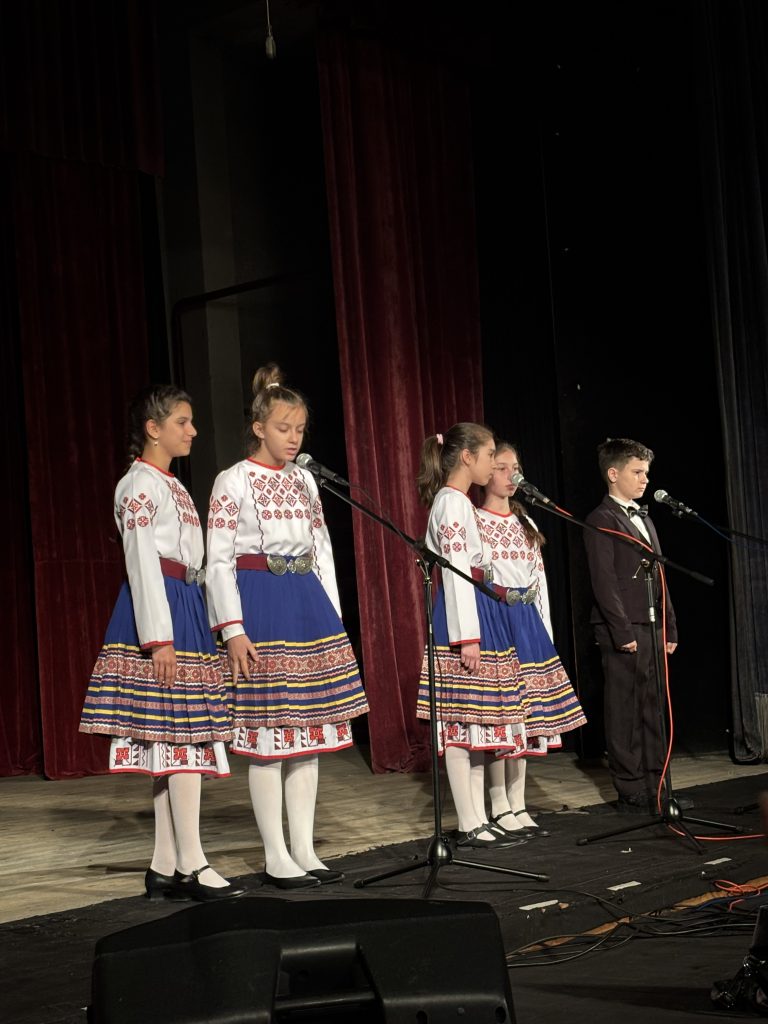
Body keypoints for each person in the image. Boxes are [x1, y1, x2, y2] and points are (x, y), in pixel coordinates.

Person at [205, 363, 369, 889]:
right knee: (270, 734)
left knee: (309, 733)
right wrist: (232, 628)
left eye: (299, 429)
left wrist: (332, 615)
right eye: (283, 428)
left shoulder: (305, 480)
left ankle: (304, 847)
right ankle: (275, 854)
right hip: (261, 603)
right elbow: (218, 560)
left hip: (306, 603)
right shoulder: (232, 480)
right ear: (259, 428)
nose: (294, 438)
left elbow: (322, 549)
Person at [79, 385, 245, 902]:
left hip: (185, 606)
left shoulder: (170, 484)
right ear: (153, 429)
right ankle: (193, 862)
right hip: (162, 612)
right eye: (182, 422)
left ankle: (164, 862)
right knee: (183, 738)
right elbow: (142, 564)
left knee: (171, 740)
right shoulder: (137, 485)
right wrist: (158, 639)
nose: (193, 430)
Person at [416, 423, 528, 850]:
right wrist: (467, 636)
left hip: (478, 611)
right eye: (488, 456)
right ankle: (467, 819)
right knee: (462, 722)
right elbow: (456, 571)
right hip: (462, 616)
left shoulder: (459, 502)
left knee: (478, 721)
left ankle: (478, 815)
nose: (492, 464)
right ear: (467, 457)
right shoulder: (451, 503)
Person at [475, 441, 587, 837]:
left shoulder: (526, 523)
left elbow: (538, 583)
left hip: (527, 623)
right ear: (486, 472)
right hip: (496, 620)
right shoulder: (475, 521)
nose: (511, 476)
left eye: (515, 467)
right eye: (502, 468)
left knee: (526, 718)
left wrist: (545, 634)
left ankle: (518, 802)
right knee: (502, 717)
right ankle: (498, 804)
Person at [583, 437, 678, 813]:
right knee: (625, 708)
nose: (644, 479)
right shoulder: (601, 519)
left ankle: (657, 782)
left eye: (646, 473)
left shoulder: (645, 518)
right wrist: (622, 631)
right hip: (622, 628)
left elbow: (661, 575)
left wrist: (670, 625)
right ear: (613, 473)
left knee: (654, 706)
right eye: (637, 472)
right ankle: (630, 786)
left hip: (652, 624)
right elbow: (604, 582)